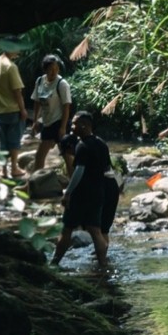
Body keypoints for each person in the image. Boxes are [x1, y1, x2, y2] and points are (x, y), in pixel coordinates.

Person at [52, 112, 120, 269]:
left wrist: (68, 192)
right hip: (100, 191)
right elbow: (106, 169)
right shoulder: (101, 142)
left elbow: (79, 171)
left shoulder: (82, 146)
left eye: (74, 124)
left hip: (84, 192)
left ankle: (55, 262)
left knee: (67, 227)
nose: (72, 127)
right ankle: (103, 264)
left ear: (84, 125)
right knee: (97, 230)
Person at [0, 49, 29, 178]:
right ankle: (14, 169)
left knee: (3, 142)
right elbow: (17, 92)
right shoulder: (11, 67)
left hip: (0, 110)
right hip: (13, 110)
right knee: (14, 141)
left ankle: (4, 170)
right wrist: (23, 110)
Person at [30, 54, 73, 170]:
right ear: (45, 69)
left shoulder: (62, 84)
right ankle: (36, 183)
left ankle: (74, 184)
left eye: (56, 69)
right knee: (40, 156)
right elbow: (37, 101)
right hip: (47, 122)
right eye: (50, 69)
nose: (54, 72)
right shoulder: (40, 81)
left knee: (66, 155)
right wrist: (35, 121)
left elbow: (66, 106)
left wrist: (63, 128)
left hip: (59, 122)